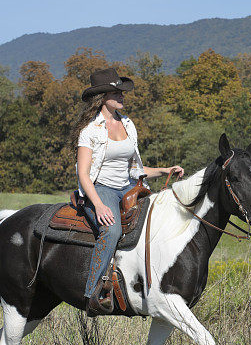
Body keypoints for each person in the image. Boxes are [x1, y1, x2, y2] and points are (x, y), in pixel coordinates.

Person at [74, 68, 183, 315]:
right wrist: (99, 205)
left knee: (159, 218)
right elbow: (83, 174)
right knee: (111, 230)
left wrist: (165, 170)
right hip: (101, 189)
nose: (122, 96)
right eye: (116, 92)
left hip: (128, 187)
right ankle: (93, 294)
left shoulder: (128, 124)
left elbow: (136, 168)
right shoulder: (90, 131)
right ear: (102, 97)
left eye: (121, 91)